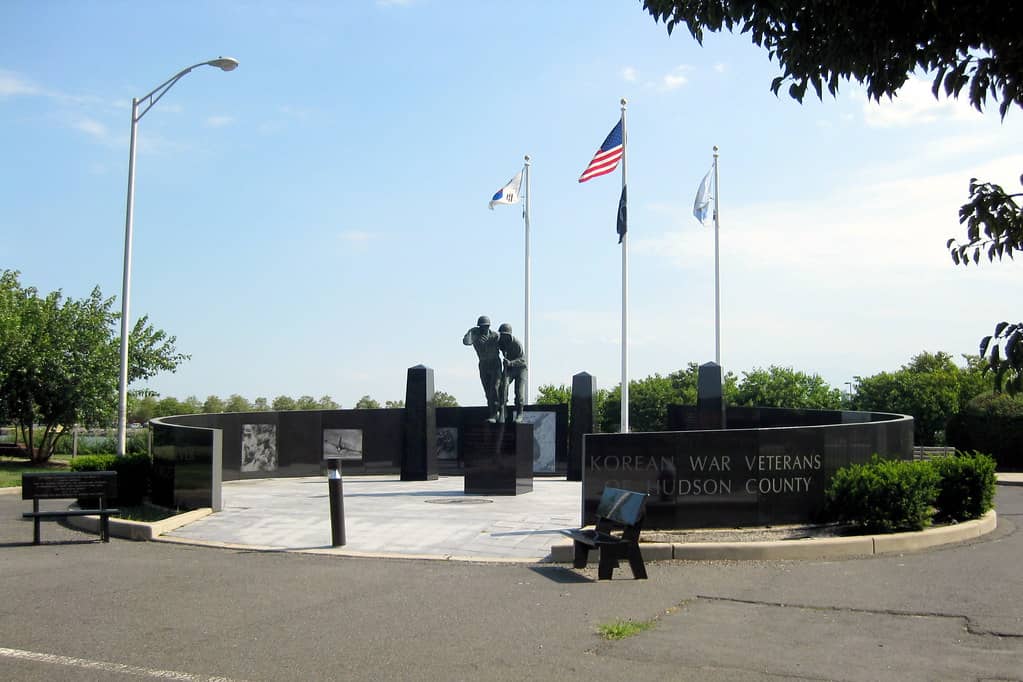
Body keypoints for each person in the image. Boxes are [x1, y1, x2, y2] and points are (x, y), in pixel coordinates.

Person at [463, 315, 504, 422]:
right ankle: (494, 411)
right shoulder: (475, 335)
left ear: (489, 326)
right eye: (481, 327)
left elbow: (505, 346)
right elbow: (466, 342)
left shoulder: (495, 335)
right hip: (483, 365)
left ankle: (495, 413)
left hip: (495, 364)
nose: (483, 328)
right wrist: (471, 332)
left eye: (486, 326)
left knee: (495, 389)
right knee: (487, 391)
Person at [497, 323, 527, 422]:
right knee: (503, 386)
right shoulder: (500, 343)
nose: (503, 336)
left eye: (505, 334)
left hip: (520, 369)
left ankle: (519, 414)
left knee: (519, 392)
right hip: (509, 369)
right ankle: (502, 410)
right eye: (502, 334)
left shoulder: (517, 343)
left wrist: (511, 362)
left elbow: (523, 360)